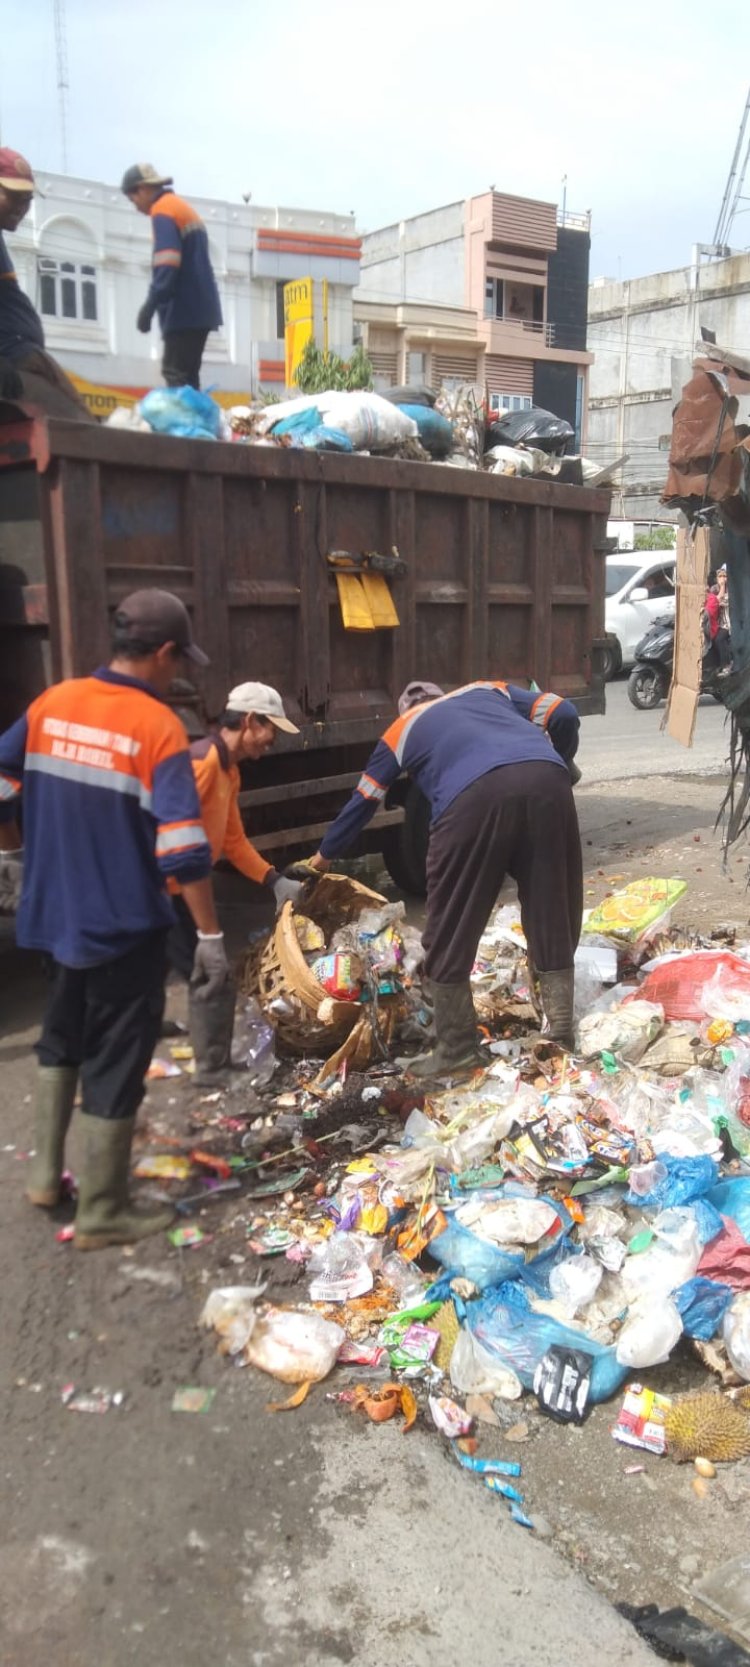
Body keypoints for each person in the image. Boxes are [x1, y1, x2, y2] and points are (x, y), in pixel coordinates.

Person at [0, 589, 227, 1250]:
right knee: (117, 1057)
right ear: (161, 652)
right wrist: (209, 938)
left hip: (52, 916)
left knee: (61, 1036)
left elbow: (3, 778)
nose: (177, 670)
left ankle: (44, 1175)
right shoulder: (156, 727)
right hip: (121, 924)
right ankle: (102, 1208)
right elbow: (184, 850)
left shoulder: (54, 702)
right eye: (177, 659)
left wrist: (16, 849)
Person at [296, 678, 582, 1074]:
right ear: (442, 695)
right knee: (552, 905)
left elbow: (362, 804)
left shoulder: (401, 730)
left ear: (406, 708)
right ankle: (560, 1035)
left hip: (471, 797)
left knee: (452, 923)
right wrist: (562, 762)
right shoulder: (489, 689)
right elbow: (562, 713)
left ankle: (459, 1051)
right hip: (547, 782)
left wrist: (319, 863)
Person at [169, 681, 304, 1078]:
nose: (272, 741)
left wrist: (272, 880)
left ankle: (189, 1049)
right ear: (249, 722)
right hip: (162, 889)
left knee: (158, 972)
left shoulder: (229, 771)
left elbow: (232, 839)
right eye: (271, 730)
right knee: (214, 974)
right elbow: (169, 832)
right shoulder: (203, 764)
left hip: (180, 887)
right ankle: (211, 1067)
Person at [0, 147, 92, 419]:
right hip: (13, 358)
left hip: (22, 358)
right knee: (86, 438)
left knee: (88, 433)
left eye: (26, 199)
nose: (20, 207)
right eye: (12, 196)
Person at [121, 163, 222, 390]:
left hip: (184, 310)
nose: (135, 206)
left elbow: (168, 262)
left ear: (143, 189)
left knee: (175, 373)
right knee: (188, 377)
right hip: (200, 309)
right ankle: (195, 423)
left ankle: (184, 425)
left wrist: (150, 305)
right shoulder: (178, 207)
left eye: (132, 198)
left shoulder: (163, 211)